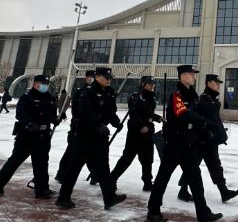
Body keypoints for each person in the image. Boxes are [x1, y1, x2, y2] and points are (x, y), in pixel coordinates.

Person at [146, 65, 222, 222]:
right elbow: (183, 114)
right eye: (191, 74)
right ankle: (153, 211)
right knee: (163, 178)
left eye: (194, 74)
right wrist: (203, 121)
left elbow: (197, 114)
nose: (194, 76)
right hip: (175, 144)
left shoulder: (193, 96)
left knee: (196, 180)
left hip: (189, 144)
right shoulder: (176, 95)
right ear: (182, 76)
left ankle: (203, 213)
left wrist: (207, 128)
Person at [55, 67, 127, 210]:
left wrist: (116, 123)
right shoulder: (87, 92)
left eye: (110, 78)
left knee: (103, 167)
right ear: (98, 77)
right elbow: (85, 112)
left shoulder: (108, 92)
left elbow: (110, 111)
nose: (109, 80)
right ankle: (63, 197)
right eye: (106, 78)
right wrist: (98, 124)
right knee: (75, 167)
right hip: (85, 136)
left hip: (100, 137)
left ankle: (109, 198)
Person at [177, 74, 238, 203]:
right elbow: (198, 119)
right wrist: (206, 133)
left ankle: (224, 192)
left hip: (211, 141)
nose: (218, 86)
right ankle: (183, 190)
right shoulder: (203, 100)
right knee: (193, 166)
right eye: (216, 83)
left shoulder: (212, 99)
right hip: (201, 141)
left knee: (215, 166)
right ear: (209, 83)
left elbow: (214, 120)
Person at [0, 75, 58, 199]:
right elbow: (20, 113)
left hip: (43, 136)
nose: (45, 86)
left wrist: (55, 119)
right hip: (27, 136)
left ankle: (42, 190)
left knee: (42, 164)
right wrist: (29, 123)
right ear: (35, 84)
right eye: (42, 84)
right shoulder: (27, 97)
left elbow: (51, 114)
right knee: (14, 161)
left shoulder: (49, 98)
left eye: (46, 84)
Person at [111, 76, 163, 191]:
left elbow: (149, 114)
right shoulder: (135, 97)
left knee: (147, 159)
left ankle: (147, 182)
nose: (152, 86)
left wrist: (158, 118)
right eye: (149, 84)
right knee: (127, 158)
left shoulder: (151, 98)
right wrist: (142, 125)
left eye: (153, 84)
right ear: (142, 84)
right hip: (135, 133)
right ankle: (112, 179)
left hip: (148, 132)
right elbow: (134, 114)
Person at [55, 70, 94, 184]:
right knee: (71, 152)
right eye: (89, 77)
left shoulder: (98, 92)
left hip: (92, 129)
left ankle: (96, 175)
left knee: (93, 154)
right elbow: (77, 110)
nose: (91, 79)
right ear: (86, 78)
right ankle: (61, 174)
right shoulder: (80, 92)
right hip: (78, 127)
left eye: (93, 77)